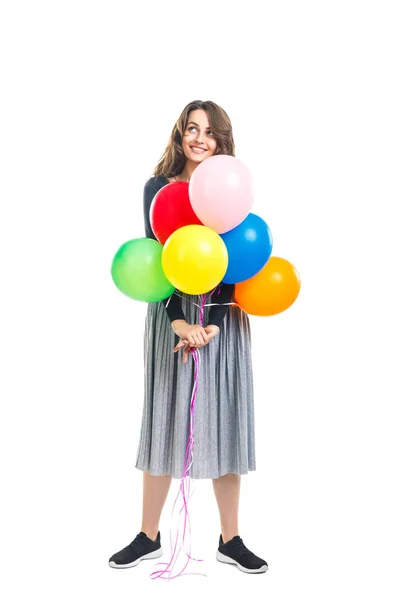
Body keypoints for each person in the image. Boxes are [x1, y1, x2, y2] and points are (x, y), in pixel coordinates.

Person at [109, 100, 268, 574]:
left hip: (222, 320)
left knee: (226, 419)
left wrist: (213, 322)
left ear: (222, 140)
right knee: (163, 418)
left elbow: (235, 264)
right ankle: (148, 535)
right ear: (180, 134)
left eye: (210, 132)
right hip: (171, 316)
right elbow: (159, 262)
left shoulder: (230, 185)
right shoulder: (158, 189)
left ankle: (231, 539)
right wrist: (180, 322)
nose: (200, 138)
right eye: (191, 128)